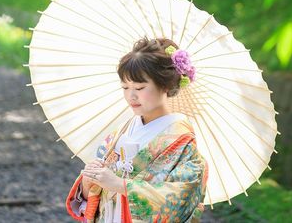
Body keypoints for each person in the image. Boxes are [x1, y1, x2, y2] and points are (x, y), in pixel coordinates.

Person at [66, 36, 209, 222]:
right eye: (125, 87)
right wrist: (89, 183)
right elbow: (99, 188)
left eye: (140, 88)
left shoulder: (181, 138)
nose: (131, 96)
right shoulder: (123, 130)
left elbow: (183, 197)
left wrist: (121, 185)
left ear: (165, 85)